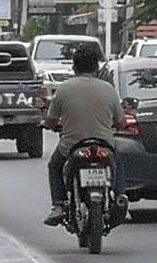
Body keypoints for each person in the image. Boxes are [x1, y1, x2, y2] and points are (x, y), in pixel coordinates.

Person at [42, 45, 123, 227]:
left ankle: (59, 205)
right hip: (105, 145)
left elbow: (51, 121)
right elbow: (121, 122)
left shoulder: (63, 89)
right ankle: (120, 196)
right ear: (96, 67)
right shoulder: (108, 89)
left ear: (74, 67)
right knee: (119, 162)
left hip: (71, 146)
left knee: (55, 166)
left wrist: (48, 124)